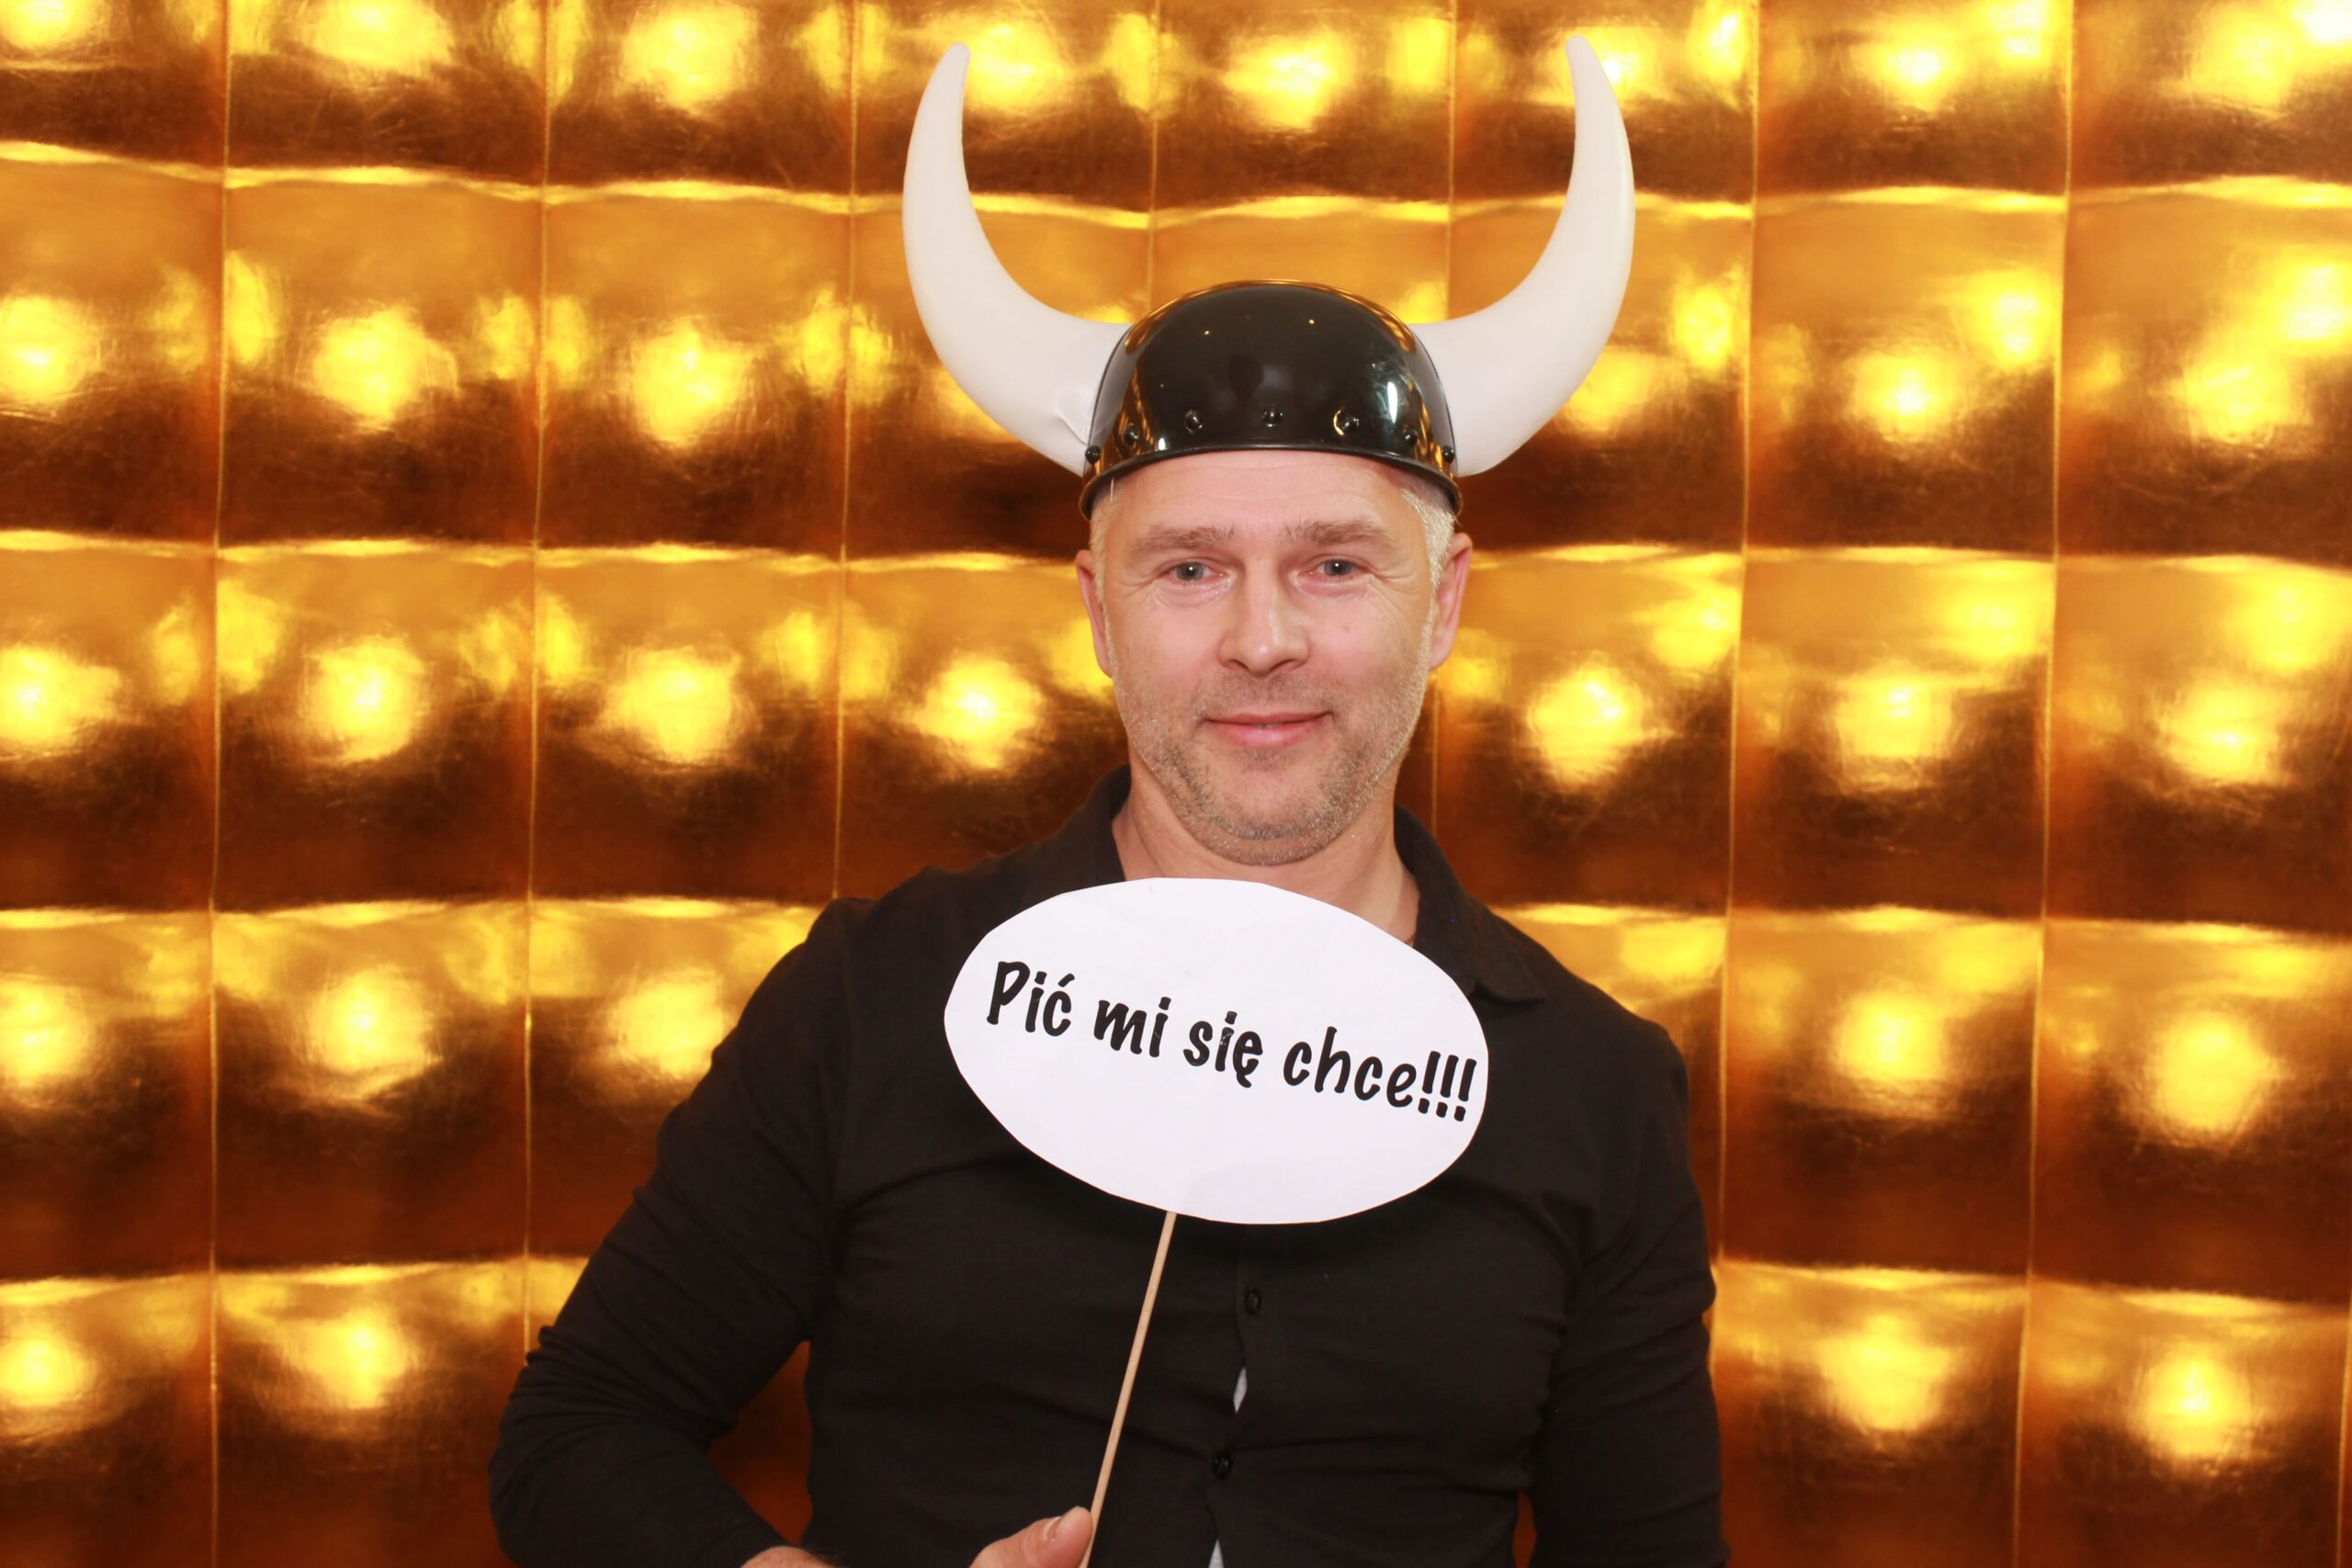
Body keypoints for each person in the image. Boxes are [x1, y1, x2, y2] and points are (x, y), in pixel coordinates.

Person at [489, 34, 1724, 1568]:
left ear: (1445, 602)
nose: (1262, 639)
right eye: (1189, 568)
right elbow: (579, 1433)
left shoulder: (1595, 1089)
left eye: (1336, 565)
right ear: (1096, 607)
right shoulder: (878, 997)